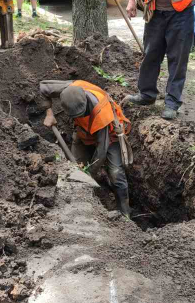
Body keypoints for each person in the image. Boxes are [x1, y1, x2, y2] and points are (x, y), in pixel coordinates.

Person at [40, 80, 132, 216]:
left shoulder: (101, 112)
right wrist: (49, 113)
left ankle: (125, 215)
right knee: (74, 167)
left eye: (81, 113)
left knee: (116, 175)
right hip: (83, 130)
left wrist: (90, 173)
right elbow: (43, 88)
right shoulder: (67, 89)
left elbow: (101, 151)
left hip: (109, 134)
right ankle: (80, 205)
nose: (79, 116)